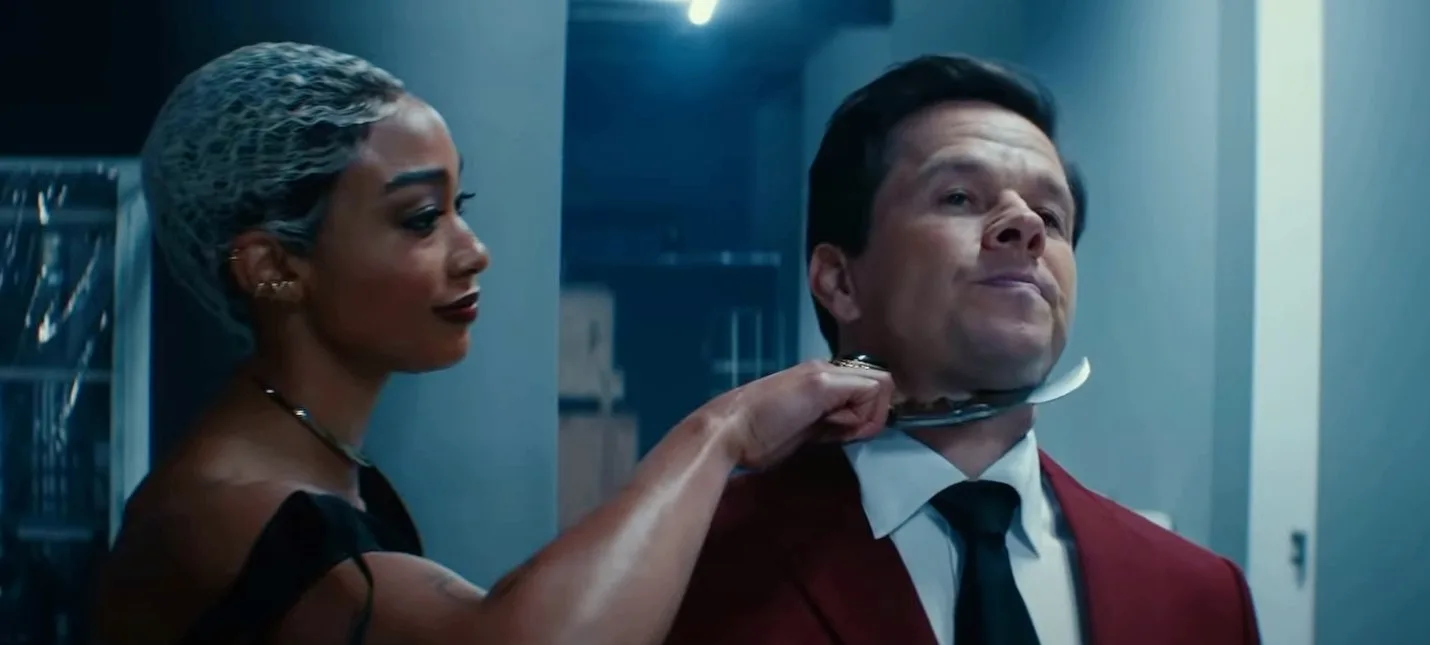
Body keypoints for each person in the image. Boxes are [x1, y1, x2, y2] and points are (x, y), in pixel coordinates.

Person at [92, 42, 896, 645]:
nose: (474, 251)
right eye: (420, 219)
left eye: (459, 206)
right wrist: (724, 429)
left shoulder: (328, 475)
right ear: (272, 266)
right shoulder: (221, 513)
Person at [663, 54, 1262, 645]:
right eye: (958, 197)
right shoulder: (683, 575)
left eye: (1050, 216)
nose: (1025, 226)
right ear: (841, 281)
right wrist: (719, 431)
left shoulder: (1204, 600)